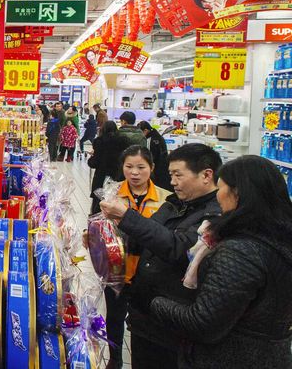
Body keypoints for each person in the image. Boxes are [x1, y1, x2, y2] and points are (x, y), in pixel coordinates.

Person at [149, 155, 292, 368]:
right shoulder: (279, 237)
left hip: (230, 357)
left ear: (238, 193)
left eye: (221, 187)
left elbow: (203, 324)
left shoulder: (240, 251)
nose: (218, 195)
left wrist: (155, 302)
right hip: (272, 355)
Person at [99, 143, 222, 369]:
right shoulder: (175, 204)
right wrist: (103, 237)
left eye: (178, 175)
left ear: (206, 175)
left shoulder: (213, 216)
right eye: (170, 175)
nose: (173, 181)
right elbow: (145, 237)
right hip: (145, 318)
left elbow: (179, 248)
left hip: (172, 326)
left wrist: (127, 216)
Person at [101, 146, 173, 369]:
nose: (134, 173)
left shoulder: (166, 199)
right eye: (129, 166)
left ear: (151, 168)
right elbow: (98, 226)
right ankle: (114, 359)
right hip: (116, 271)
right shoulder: (110, 195)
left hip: (149, 274)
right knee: (114, 318)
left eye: (141, 167)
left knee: (144, 321)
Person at [88, 121, 130, 214]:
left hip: (101, 176)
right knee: (115, 202)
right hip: (118, 176)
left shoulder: (99, 141)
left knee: (98, 203)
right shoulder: (123, 141)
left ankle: (96, 225)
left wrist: (91, 159)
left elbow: (94, 162)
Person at [138, 121, 171, 190]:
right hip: (163, 167)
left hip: (157, 169)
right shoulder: (158, 136)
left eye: (141, 132)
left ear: (146, 130)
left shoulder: (150, 140)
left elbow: (149, 156)